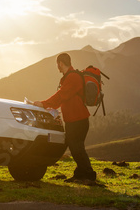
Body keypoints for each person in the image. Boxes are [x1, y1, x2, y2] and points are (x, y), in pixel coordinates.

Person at [34, 53, 96, 183]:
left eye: (58, 65)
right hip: (75, 119)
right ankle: (80, 174)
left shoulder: (73, 77)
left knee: (76, 147)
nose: (58, 68)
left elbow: (62, 95)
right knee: (76, 147)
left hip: (78, 120)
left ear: (61, 63)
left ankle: (89, 175)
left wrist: (44, 104)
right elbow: (64, 98)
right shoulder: (70, 77)